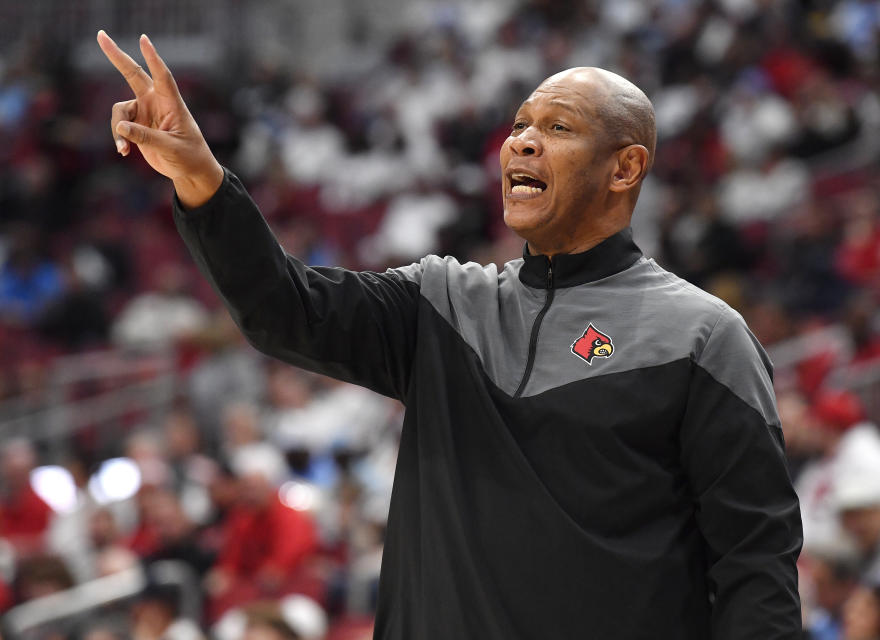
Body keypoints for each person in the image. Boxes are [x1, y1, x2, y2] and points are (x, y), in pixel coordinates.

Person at [96, 30, 802, 639]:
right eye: (521, 124)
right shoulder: (444, 301)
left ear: (626, 167)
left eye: (559, 128)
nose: (522, 140)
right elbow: (284, 308)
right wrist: (201, 178)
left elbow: (755, 562)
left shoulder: (703, 336)